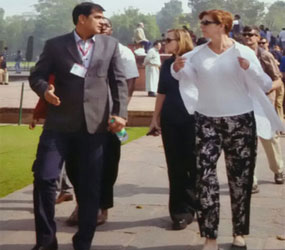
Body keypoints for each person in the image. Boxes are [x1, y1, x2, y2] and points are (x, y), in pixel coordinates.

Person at [172, 9, 284, 250]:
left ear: (222, 26)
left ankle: (239, 233)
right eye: (201, 22)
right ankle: (210, 236)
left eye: (206, 23)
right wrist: (178, 68)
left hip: (240, 121)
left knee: (240, 179)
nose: (201, 26)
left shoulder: (243, 52)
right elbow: (184, 76)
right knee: (205, 178)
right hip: (207, 121)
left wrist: (249, 69)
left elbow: (265, 83)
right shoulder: (198, 54)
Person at [29, 2, 128, 250]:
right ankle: (45, 241)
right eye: (97, 17)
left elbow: (119, 84)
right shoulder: (56, 45)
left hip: (94, 128)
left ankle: (83, 242)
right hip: (59, 125)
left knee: (89, 187)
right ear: (82, 19)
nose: (102, 22)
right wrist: (45, 91)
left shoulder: (110, 45)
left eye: (104, 18)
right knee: (44, 177)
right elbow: (37, 75)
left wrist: (120, 114)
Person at [66, 16, 139, 227]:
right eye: (98, 23)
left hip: (108, 116)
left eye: (105, 25)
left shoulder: (121, 50)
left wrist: (120, 112)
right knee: (75, 161)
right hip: (79, 115)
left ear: (111, 29)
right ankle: (83, 203)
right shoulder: (80, 49)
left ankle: (102, 206)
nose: (101, 27)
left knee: (106, 163)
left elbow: (129, 82)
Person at [148, 28, 196, 230]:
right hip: (171, 119)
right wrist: (154, 118)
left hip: (194, 119)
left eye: (168, 40)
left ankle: (194, 204)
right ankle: (179, 211)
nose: (164, 43)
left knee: (194, 166)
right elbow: (162, 92)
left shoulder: (195, 62)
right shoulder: (167, 64)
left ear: (181, 41)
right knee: (175, 166)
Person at [242, 26, 285, 193]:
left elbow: (278, 80)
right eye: (245, 35)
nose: (247, 37)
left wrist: (266, 89)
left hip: (264, 103)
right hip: (245, 104)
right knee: (247, 143)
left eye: (251, 35)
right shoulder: (238, 55)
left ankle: (278, 169)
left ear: (257, 37)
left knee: (270, 140)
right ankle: (251, 180)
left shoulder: (265, 56)